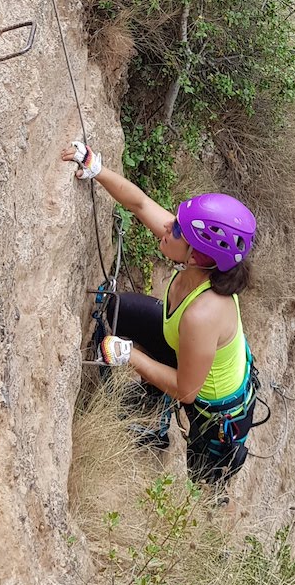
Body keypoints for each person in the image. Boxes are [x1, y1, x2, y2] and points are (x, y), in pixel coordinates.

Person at [61, 143, 263, 485]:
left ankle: (201, 496)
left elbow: (186, 392)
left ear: (199, 256)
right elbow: (139, 204)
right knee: (119, 309)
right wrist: (96, 168)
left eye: (178, 230)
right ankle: (149, 402)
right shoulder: (198, 259)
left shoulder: (204, 314)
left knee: (203, 485)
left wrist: (128, 357)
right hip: (186, 348)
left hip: (214, 414)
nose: (168, 227)